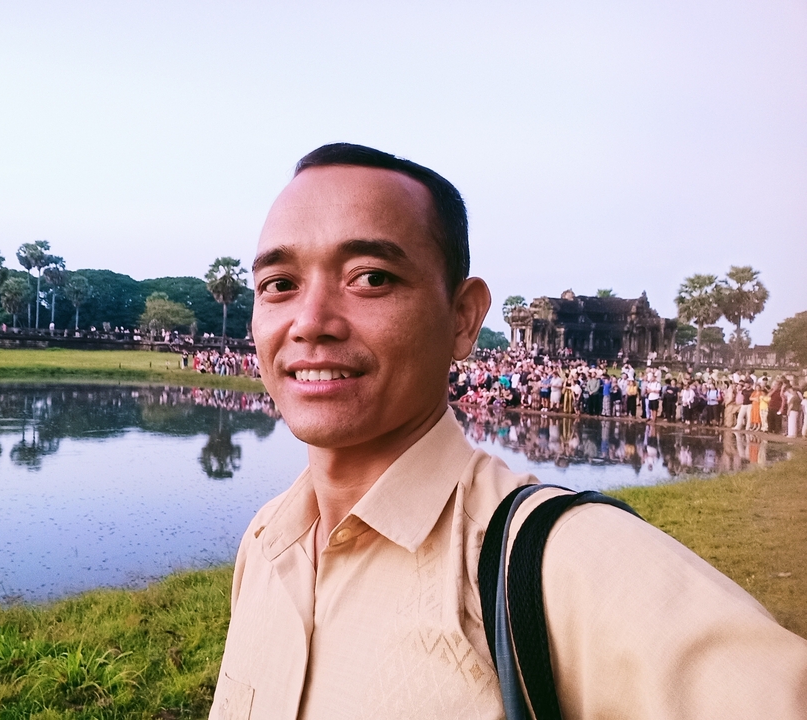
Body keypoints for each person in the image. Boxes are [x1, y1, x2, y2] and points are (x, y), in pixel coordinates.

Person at [210, 143, 807, 719]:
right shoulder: (265, 543)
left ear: (463, 318)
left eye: (371, 278)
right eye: (279, 284)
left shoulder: (557, 564)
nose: (310, 323)